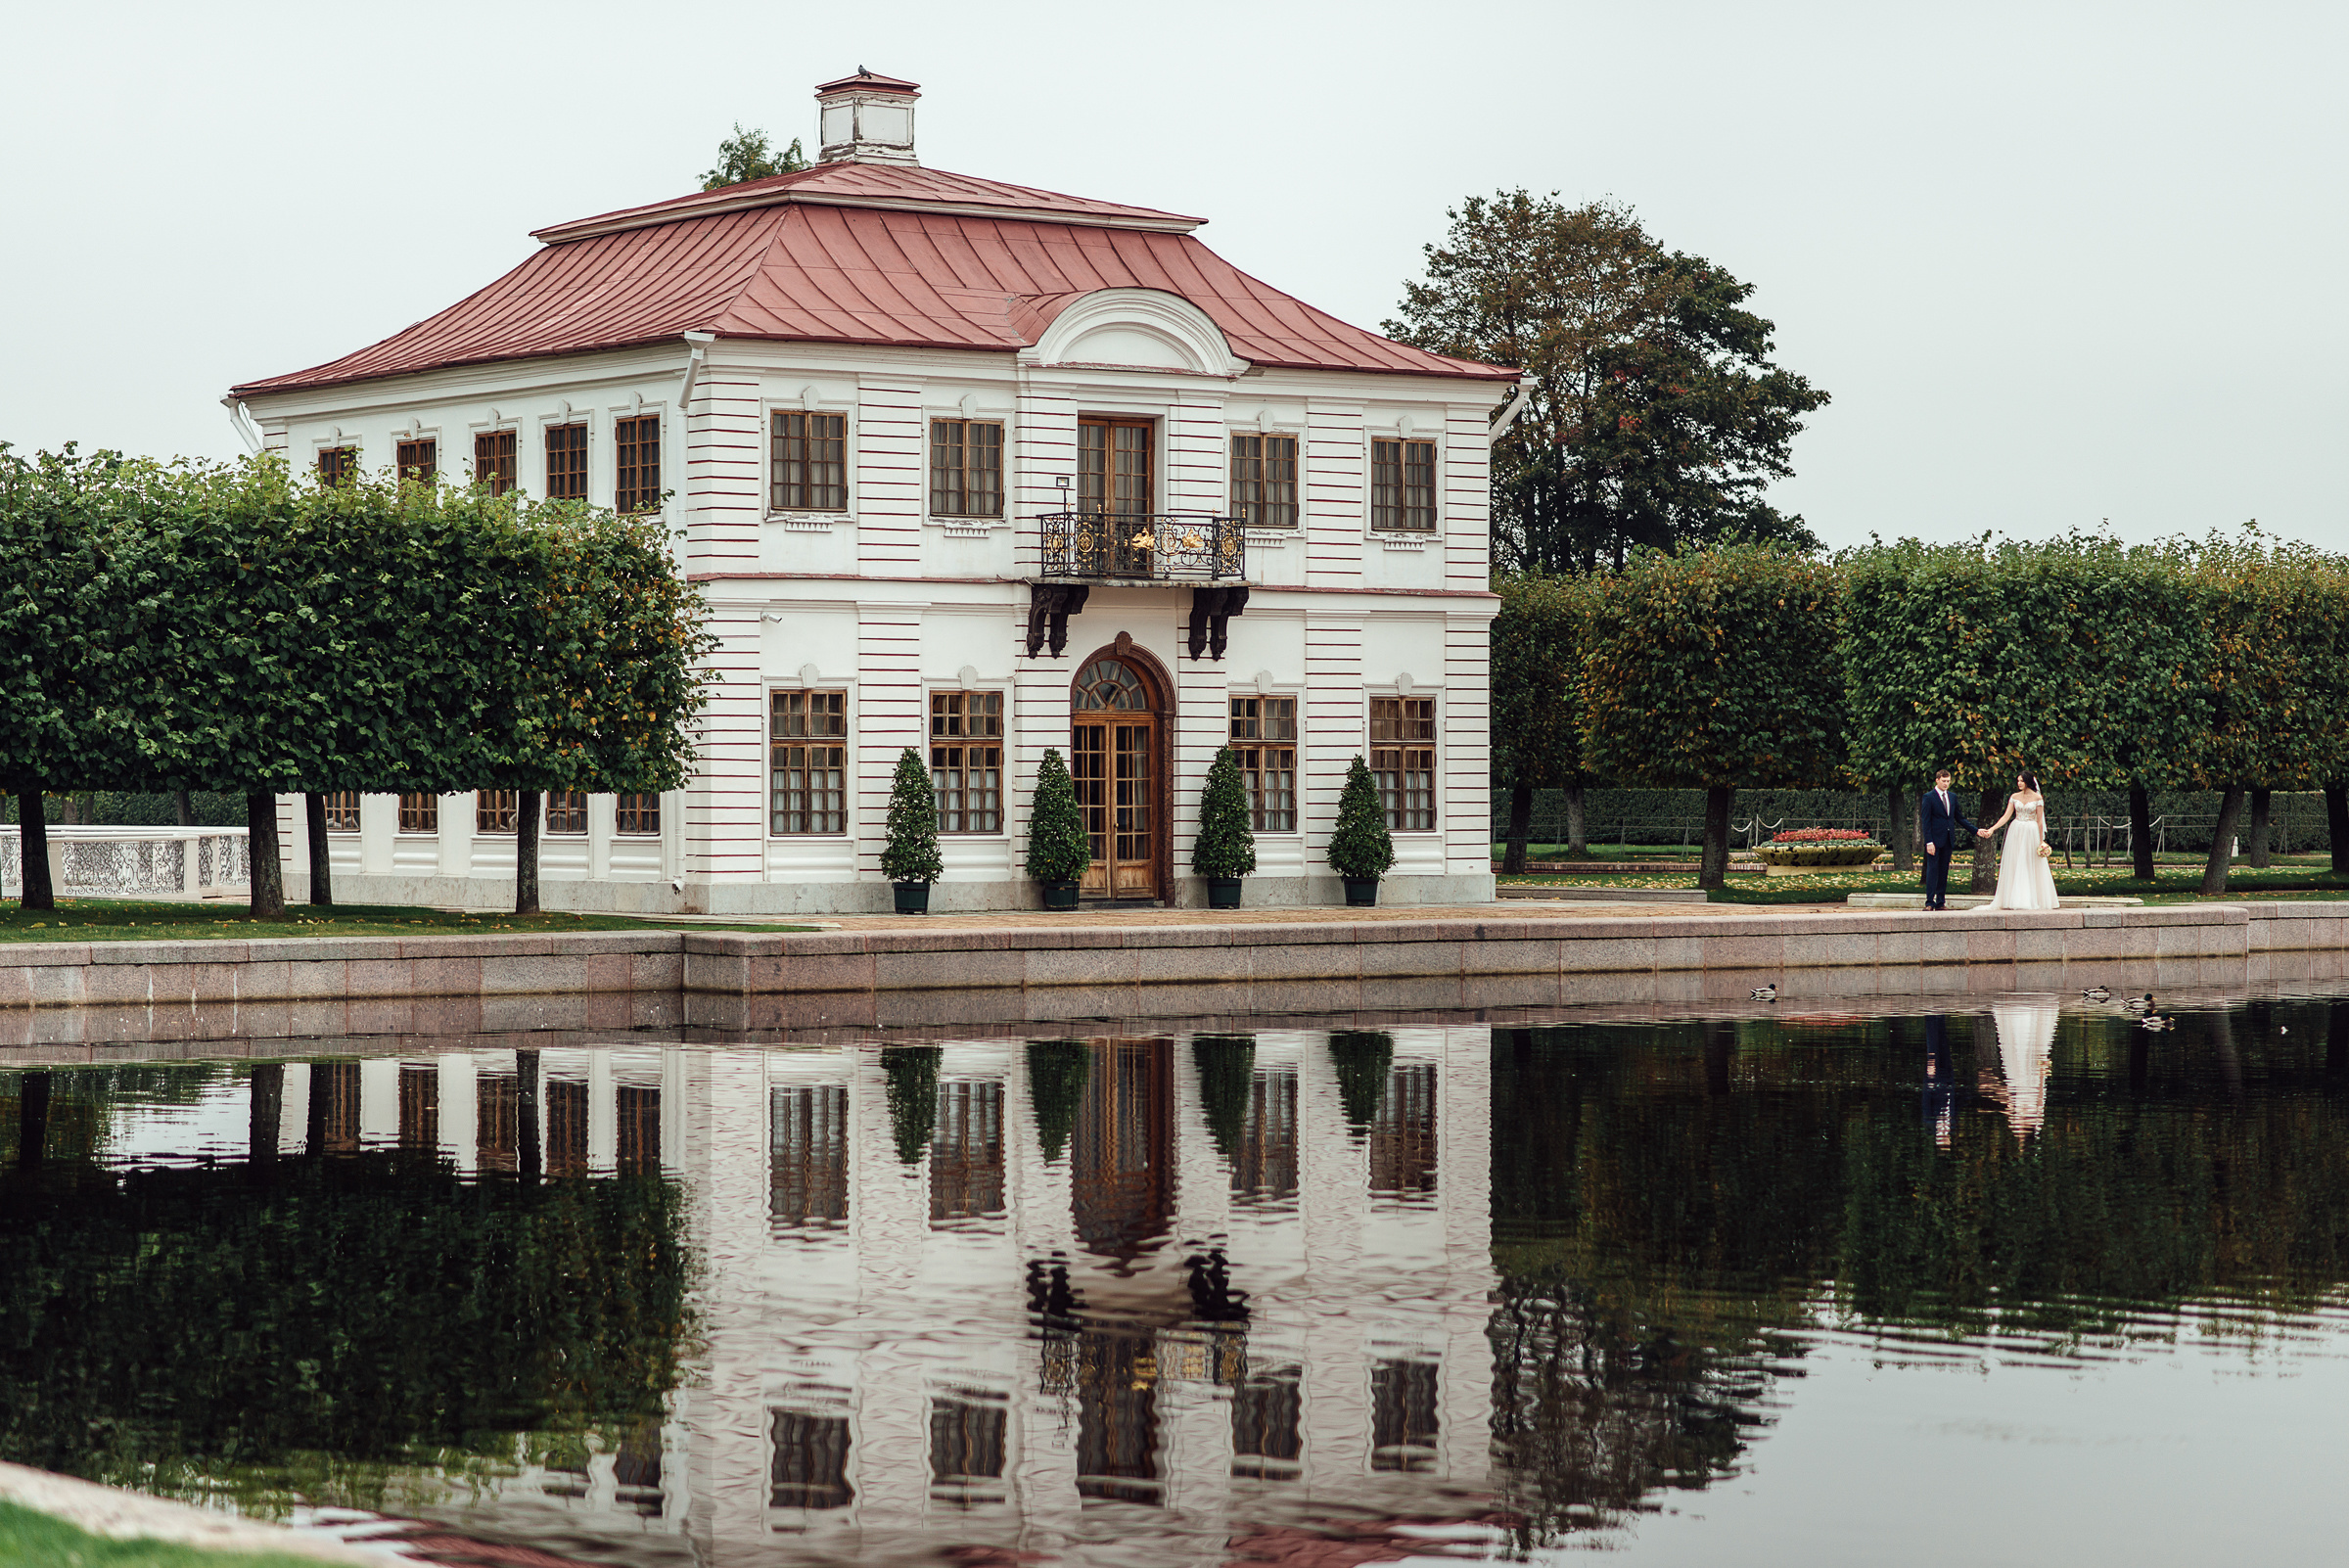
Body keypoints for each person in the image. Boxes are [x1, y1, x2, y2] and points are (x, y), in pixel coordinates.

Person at [1973, 770, 2061, 912]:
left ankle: (2033, 898)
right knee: (2015, 862)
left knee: (2030, 862)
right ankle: (2012, 898)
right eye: (2018, 781)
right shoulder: (2014, 797)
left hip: (2031, 832)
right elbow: (2006, 816)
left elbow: (2039, 821)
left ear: (2028, 781)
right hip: (2016, 830)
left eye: (2021, 781)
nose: (2019, 783)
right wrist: (1992, 829)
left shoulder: (2038, 798)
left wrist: (2041, 841)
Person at [1918, 768, 1975, 910]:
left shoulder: (1952, 797)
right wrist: (1929, 842)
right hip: (1934, 841)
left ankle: (1940, 902)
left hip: (1948, 839)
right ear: (1937, 780)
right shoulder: (1928, 797)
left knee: (1943, 871)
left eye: (1948, 781)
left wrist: (1976, 830)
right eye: (1943, 781)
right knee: (1932, 871)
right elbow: (1926, 821)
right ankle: (1929, 902)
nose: (1946, 784)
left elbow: (1959, 818)